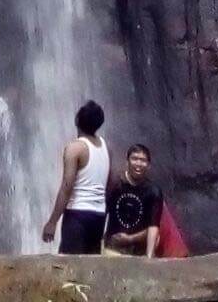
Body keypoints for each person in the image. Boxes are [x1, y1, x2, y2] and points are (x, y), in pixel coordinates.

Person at [41, 101, 110, 254]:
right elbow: (109, 182)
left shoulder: (75, 148)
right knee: (90, 266)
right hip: (99, 215)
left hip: (78, 214)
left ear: (77, 121)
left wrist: (52, 222)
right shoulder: (104, 145)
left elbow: (67, 188)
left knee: (70, 265)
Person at [104, 144, 163, 258]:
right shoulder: (115, 185)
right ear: (127, 162)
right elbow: (103, 213)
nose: (138, 164)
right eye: (134, 159)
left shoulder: (153, 191)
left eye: (143, 160)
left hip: (138, 251)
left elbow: (153, 226)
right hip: (113, 249)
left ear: (149, 165)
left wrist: (149, 257)